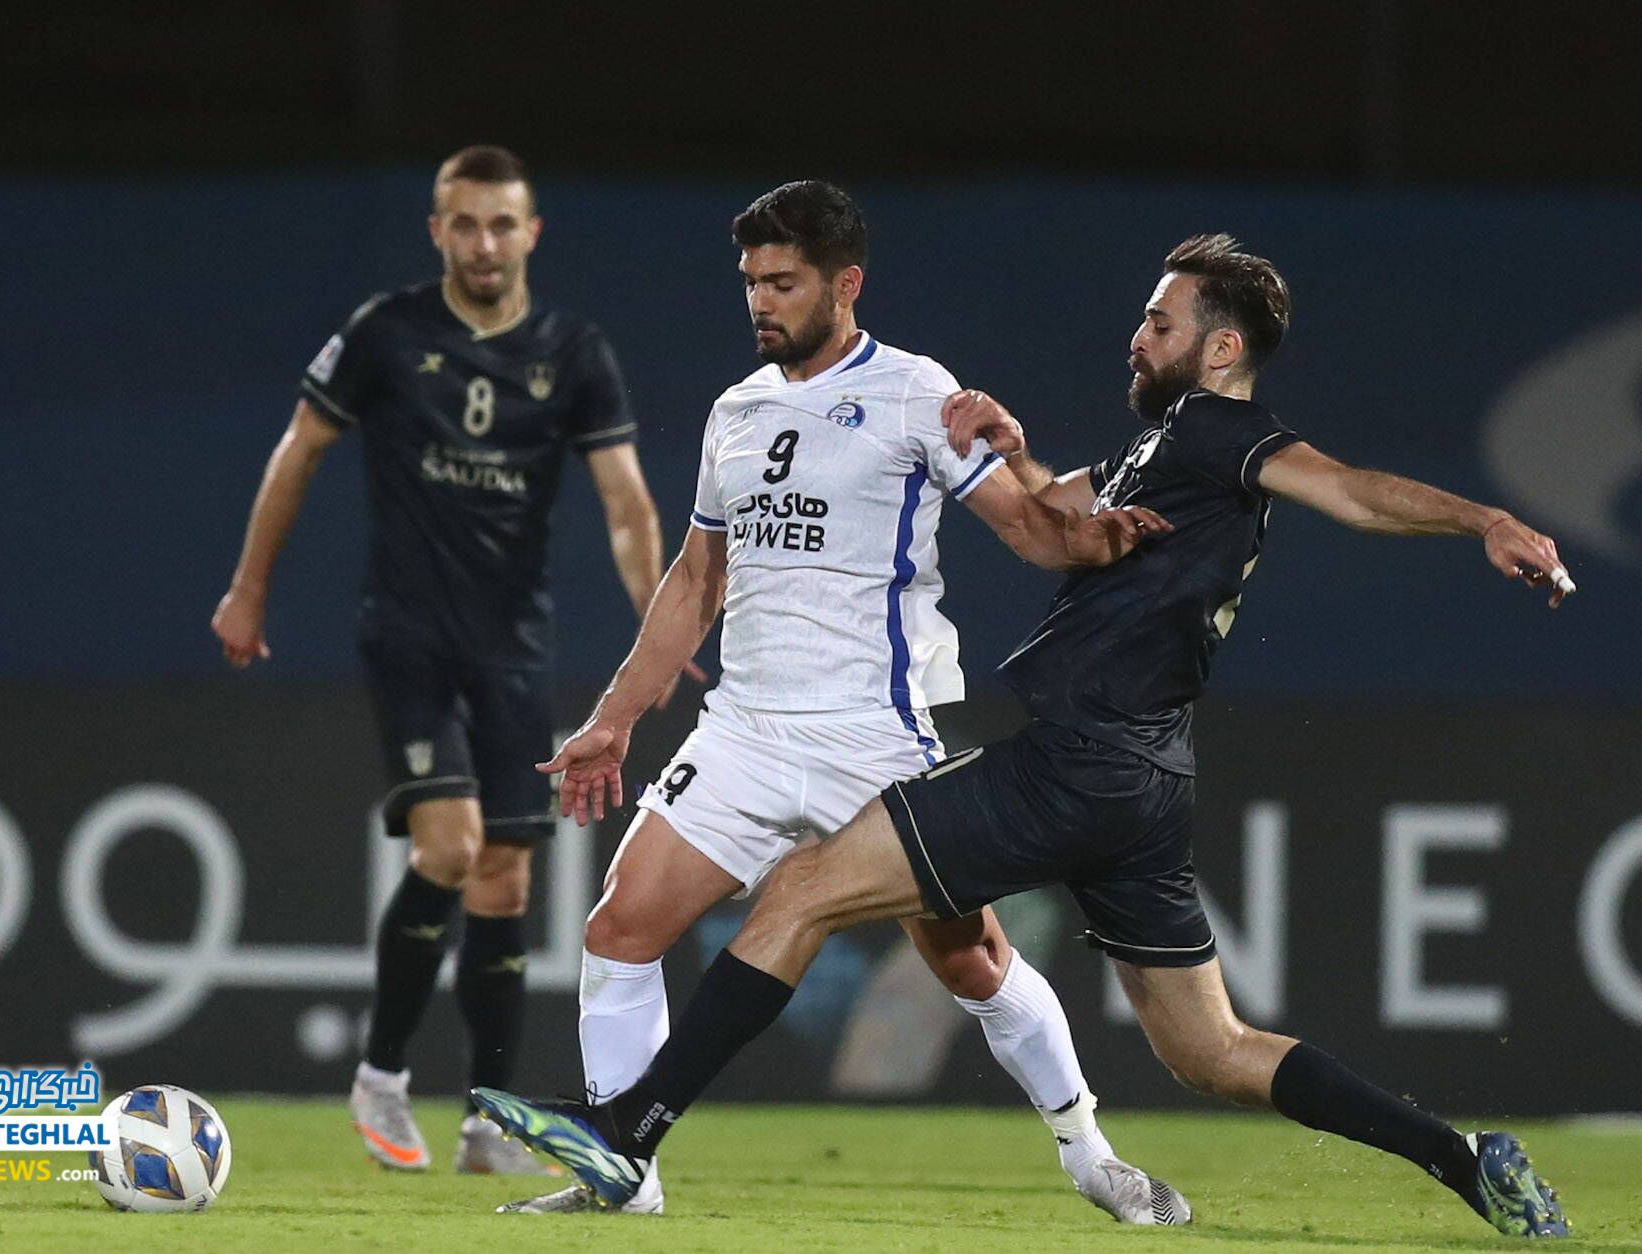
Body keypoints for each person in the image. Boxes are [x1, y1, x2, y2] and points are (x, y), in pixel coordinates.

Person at [472, 234, 1576, 1238]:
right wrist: (1011, 443)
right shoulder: (1168, 448)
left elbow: (1350, 491)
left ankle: (629, 1133)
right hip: (1145, 780)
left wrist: (1482, 519)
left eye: (1159, 320)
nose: (1137, 336)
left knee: (801, 891)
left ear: (1220, 344)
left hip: (1078, 762)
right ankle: (1464, 1161)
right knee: (1211, 1053)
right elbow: (1056, 515)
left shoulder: (1229, 433)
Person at [498, 180, 1185, 1223]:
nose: (760, 303)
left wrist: (1066, 501)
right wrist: (614, 718)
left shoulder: (916, 393)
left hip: (875, 734)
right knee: (619, 928)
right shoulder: (735, 411)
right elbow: (694, 584)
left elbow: (1034, 534)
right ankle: (619, 1174)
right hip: (743, 728)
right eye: (749, 284)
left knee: (969, 960)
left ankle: (1087, 1153)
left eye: (782, 283)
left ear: (844, 283)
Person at [211, 144, 689, 1175]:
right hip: (409, 632)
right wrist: (249, 587)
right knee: (447, 846)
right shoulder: (387, 332)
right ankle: (381, 1075)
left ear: (531, 233)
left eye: (500, 224)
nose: (482, 243)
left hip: (512, 645)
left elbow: (626, 506)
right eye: (462, 224)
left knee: (506, 878)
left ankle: (485, 1119)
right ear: (437, 231)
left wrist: (664, 621)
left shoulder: (572, 350)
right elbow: (298, 449)